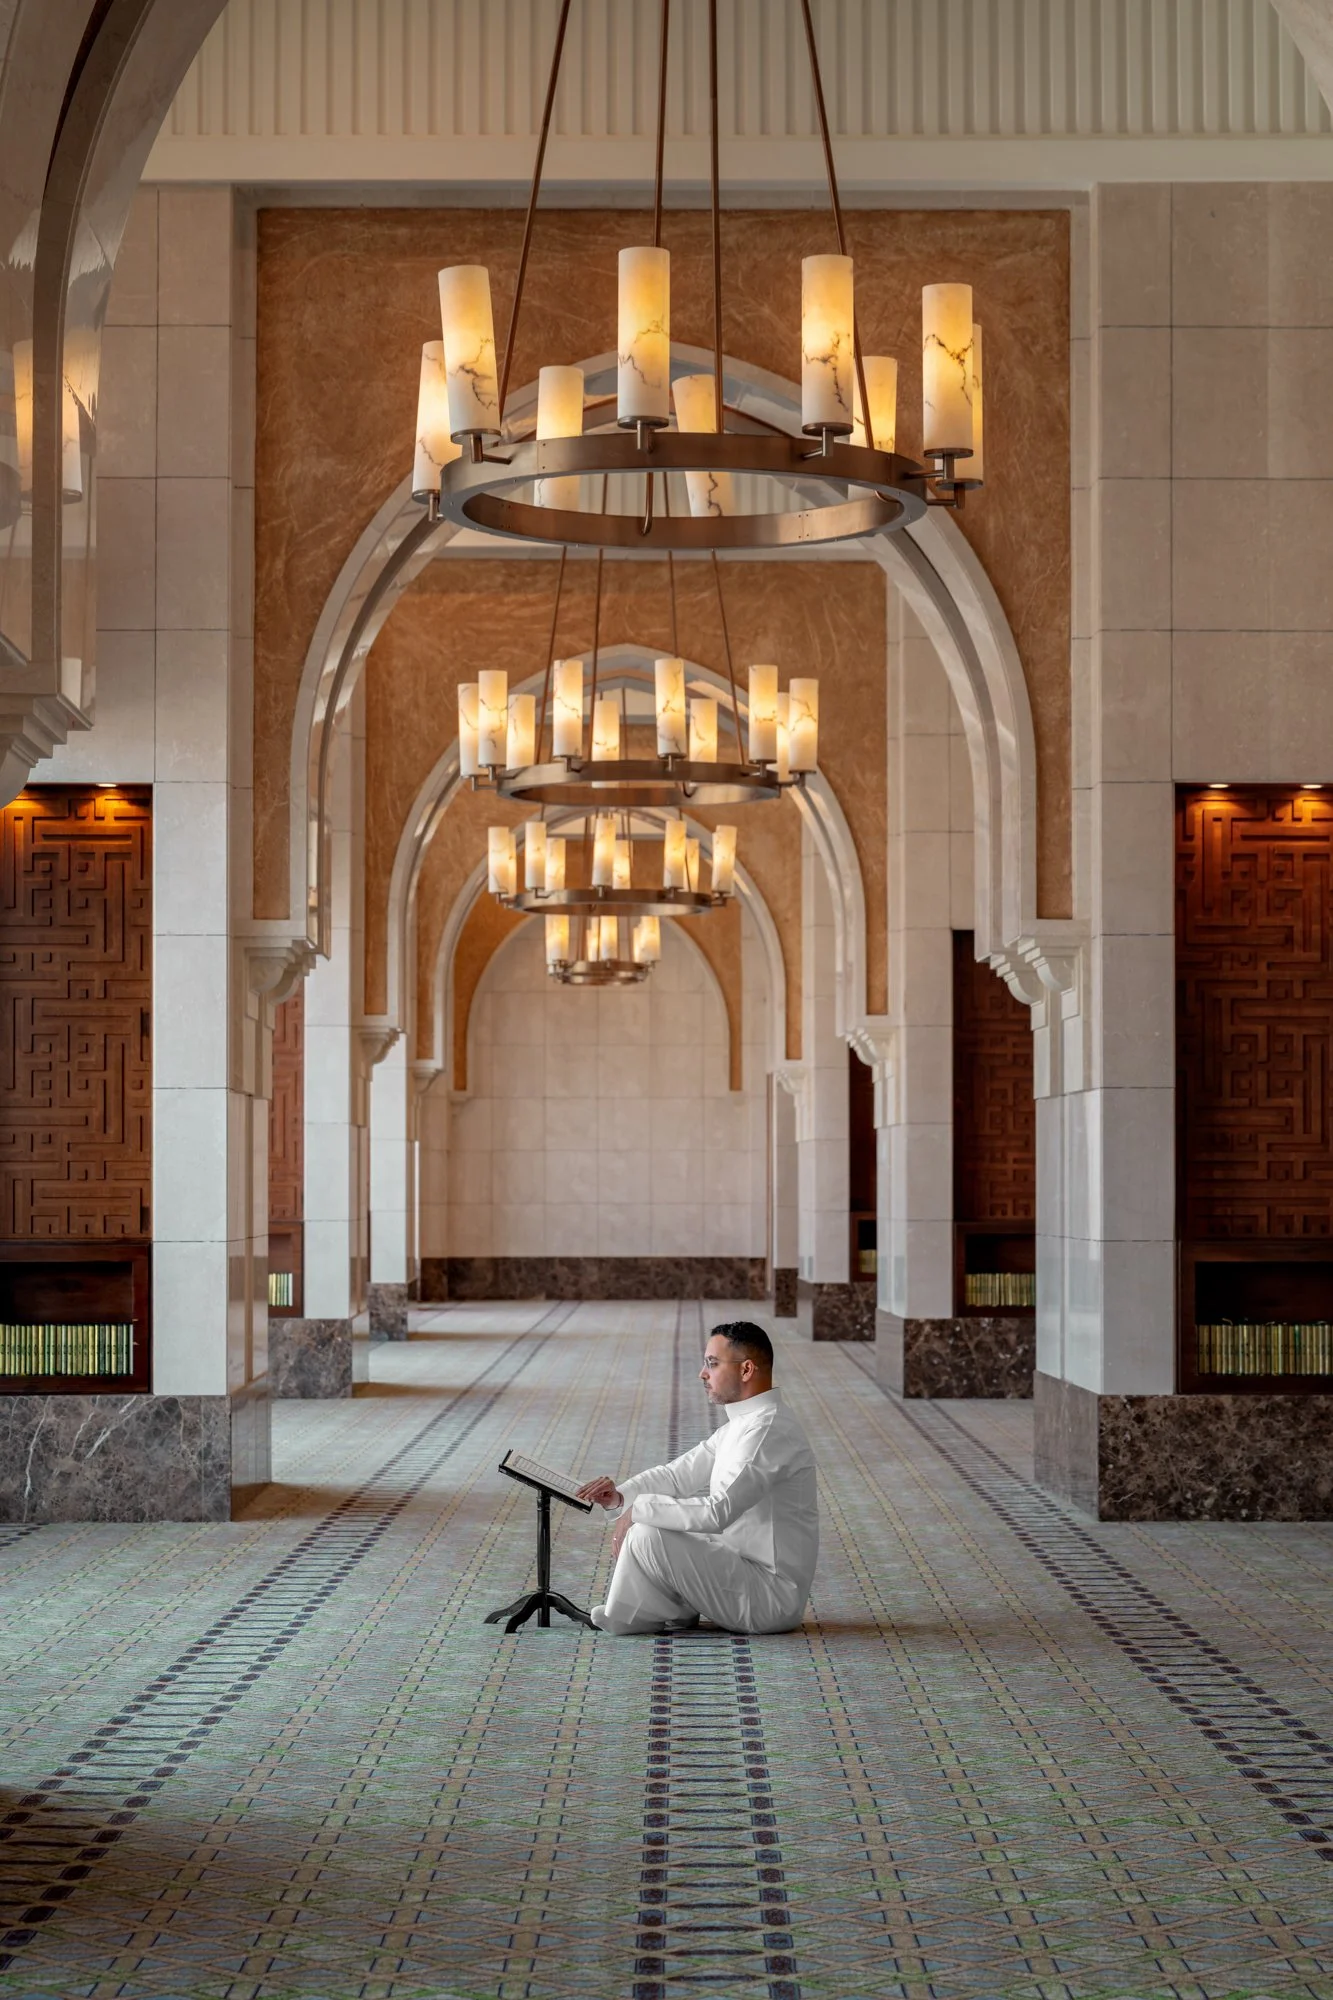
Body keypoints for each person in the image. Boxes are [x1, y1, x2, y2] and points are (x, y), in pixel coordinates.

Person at [575, 1321, 819, 1636]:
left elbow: (717, 1512)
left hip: (768, 1598)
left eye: (712, 1364)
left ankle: (641, 1614)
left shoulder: (767, 1431)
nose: (702, 1374)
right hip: (740, 1570)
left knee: (649, 1534)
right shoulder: (743, 1424)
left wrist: (639, 1512)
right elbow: (677, 1476)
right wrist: (621, 1498)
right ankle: (668, 1610)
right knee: (652, 1526)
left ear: (746, 1370)